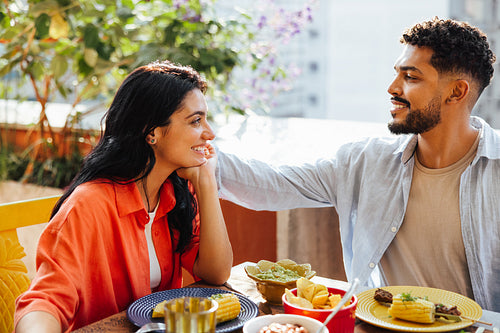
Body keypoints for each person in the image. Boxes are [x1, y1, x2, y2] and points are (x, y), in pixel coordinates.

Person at [215, 17, 500, 312]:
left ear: (457, 92)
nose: (392, 88)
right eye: (397, 74)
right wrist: (200, 154)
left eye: (411, 77)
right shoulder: (366, 162)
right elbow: (273, 184)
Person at [14, 60, 233, 332]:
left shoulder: (175, 191)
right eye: (196, 120)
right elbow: (45, 300)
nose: (209, 133)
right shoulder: (88, 204)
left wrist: (207, 183)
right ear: (152, 132)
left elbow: (215, 273)